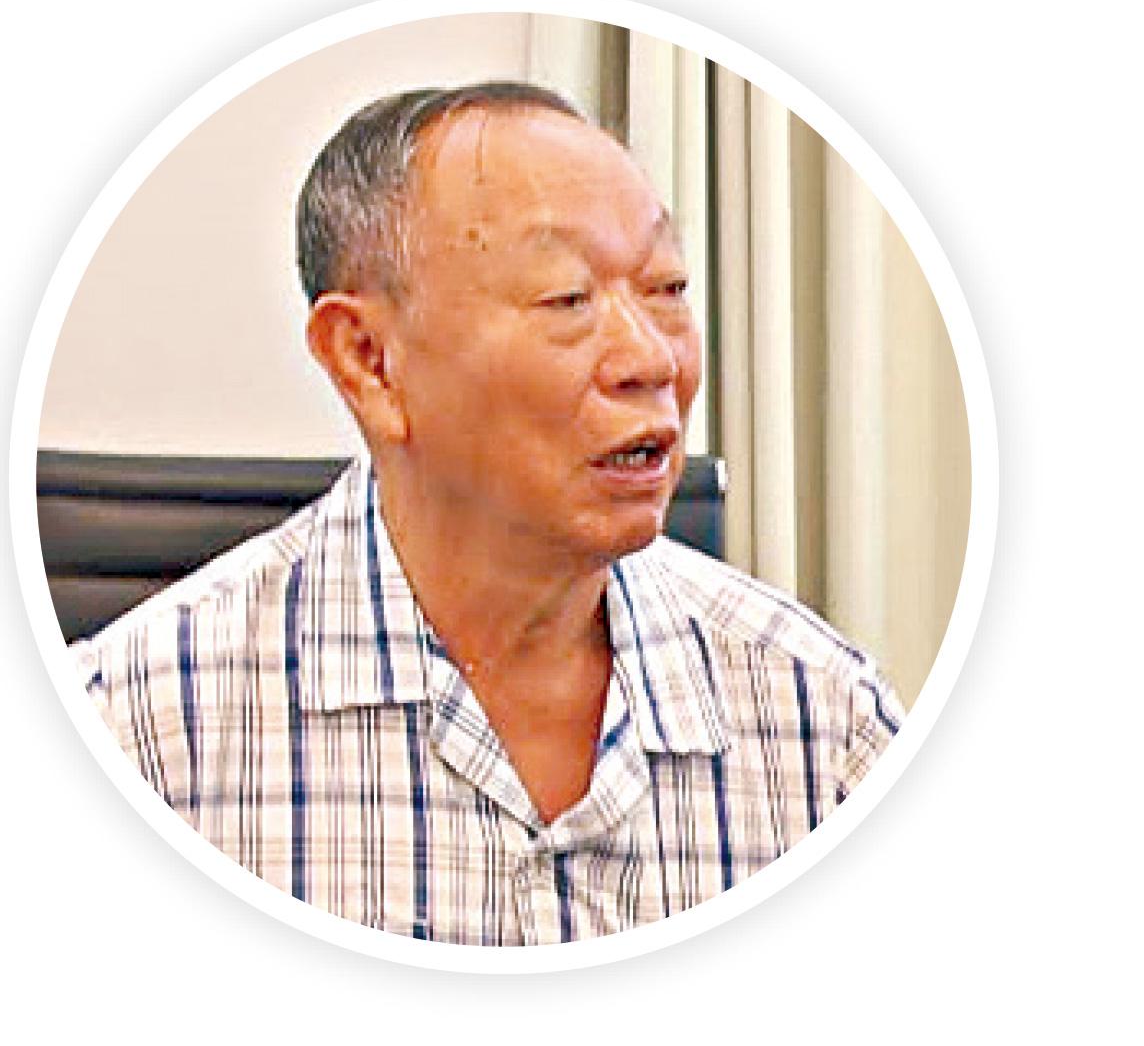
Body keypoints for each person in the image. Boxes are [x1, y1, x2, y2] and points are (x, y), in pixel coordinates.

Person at [73, 81, 903, 945]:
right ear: (370, 361)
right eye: (567, 298)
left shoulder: (824, 721)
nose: (652, 358)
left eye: (667, 287)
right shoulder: (138, 736)